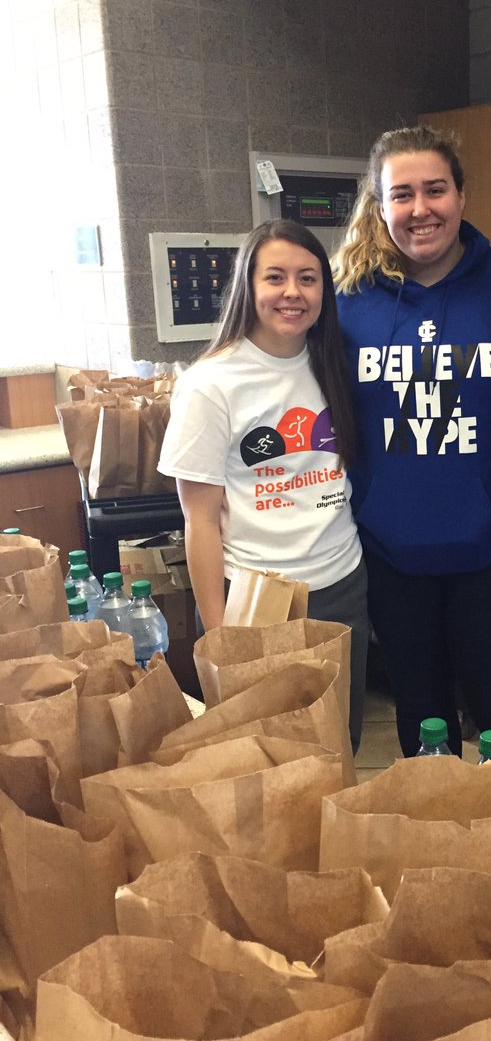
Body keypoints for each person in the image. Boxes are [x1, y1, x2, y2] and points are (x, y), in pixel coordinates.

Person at [332, 125, 491, 779]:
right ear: (379, 207)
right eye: (402, 194)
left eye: (436, 189)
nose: (421, 208)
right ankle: (445, 853)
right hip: (393, 554)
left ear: (461, 194)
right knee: (422, 722)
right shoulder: (347, 301)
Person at [159, 220, 368, 751]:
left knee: (340, 744)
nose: (293, 293)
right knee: (272, 755)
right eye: (275, 277)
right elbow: (200, 520)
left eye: (309, 278)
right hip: (257, 599)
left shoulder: (333, 363)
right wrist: (218, 634)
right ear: (248, 287)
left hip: (343, 583)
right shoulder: (210, 383)